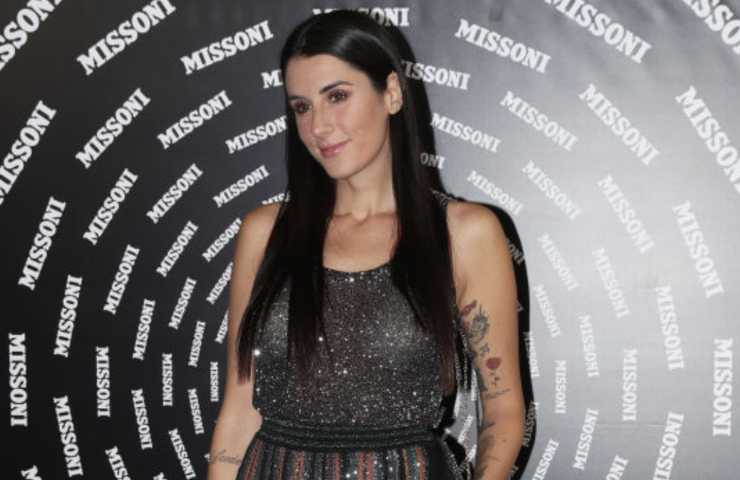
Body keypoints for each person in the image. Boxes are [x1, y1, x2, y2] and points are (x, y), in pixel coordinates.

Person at [207, 9, 524, 480]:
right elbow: (238, 410)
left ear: (391, 93)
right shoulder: (264, 232)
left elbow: (503, 410)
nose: (318, 126)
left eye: (337, 96)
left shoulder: (465, 232)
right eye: (302, 107)